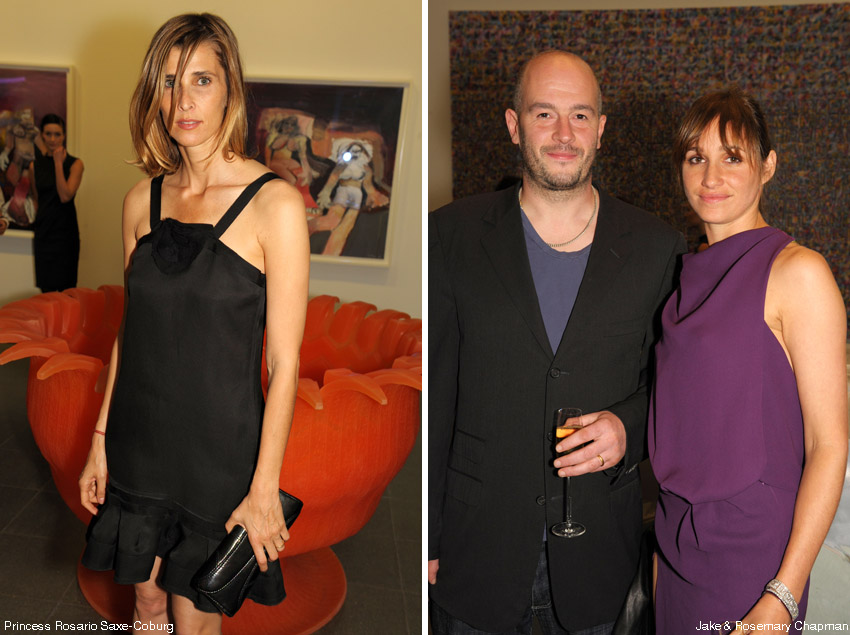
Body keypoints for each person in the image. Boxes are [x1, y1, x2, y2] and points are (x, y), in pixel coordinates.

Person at [428, 50, 686, 634]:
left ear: (601, 128)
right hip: (475, 554)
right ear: (514, 125)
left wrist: (629, 427)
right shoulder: (450, 235)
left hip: (598, 559)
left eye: (580, 115)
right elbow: (436, 397)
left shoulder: (657, 248)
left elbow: (673, 385)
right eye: (544, 114)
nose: (564, 134)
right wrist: (427, 535)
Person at [77, 13, 309, 634]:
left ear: (230, 89)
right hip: (138, 444)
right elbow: (132, 332)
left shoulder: (276, 205)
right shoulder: (139, 201)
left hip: (219, 457)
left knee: (193, 616)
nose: (183, 100)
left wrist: (264, 488)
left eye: (201, 80)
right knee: (146, 604)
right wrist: (100, 438)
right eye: (169, 81)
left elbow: (285, 362)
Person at [649, 88, 847, 634]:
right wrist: (662, 561)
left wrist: (783, 594)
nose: (711, 176)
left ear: (768, 166)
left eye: (732, 157)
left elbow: (829, 445)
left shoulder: (798, 273)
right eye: (696, 157)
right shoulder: (682, 279)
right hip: (677, 550)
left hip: (754, 562)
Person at [30, 114, 84, 292]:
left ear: (64, 135)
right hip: (44, 235)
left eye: (57, 134)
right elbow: (37, 199)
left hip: (65, 237)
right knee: (46, 292)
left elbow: (65, 195)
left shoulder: (75, 164)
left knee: (66, 292)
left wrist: (58, 163)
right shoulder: (34, 166)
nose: (53, 139)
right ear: (42, 135)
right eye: (48, 134)